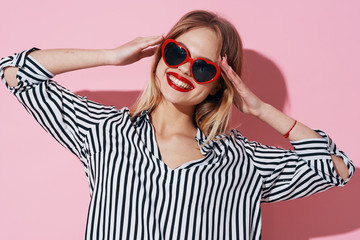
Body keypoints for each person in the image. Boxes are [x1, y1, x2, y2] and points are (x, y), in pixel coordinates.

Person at [0, 10, 354, 240]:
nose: (184, 69)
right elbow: (17, 71)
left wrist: (260, 109)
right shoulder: (103, 132)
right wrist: (110, 56)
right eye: (176, 53)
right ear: (159, 56)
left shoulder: (244, 161)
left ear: (218, 83)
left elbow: (335, 169)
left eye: (203, 67)